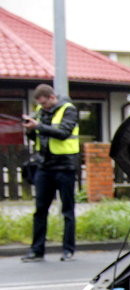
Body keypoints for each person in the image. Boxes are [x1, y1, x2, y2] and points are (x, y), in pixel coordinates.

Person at [21, 84, 80, 262]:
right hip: (44, 167)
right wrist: (30, 129)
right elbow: (38, 136)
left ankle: (68, 250)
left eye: (45, 103)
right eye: (40, 104)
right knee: (40, 210)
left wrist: (38, 126)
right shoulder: (40, 110)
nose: (43, 107)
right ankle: (37, 250)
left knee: (67, 210)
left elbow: (63, 133)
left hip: (65, 167)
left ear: (52, 97)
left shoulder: (69, 110)